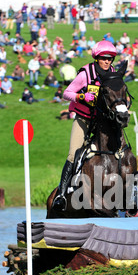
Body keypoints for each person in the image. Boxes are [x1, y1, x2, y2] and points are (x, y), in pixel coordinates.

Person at [52, 40, 117, 211]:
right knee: (74, 154)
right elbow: (67, 93)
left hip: (102, 121)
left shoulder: (113, 73)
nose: (107, 61)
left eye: (110, 58)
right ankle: (61, 195)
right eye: (103, 58)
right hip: (84, 119)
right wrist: (82, 97)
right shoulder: (85, 74)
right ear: (97, 58)